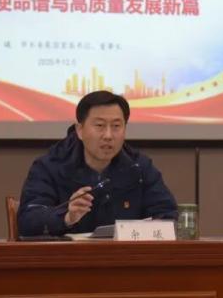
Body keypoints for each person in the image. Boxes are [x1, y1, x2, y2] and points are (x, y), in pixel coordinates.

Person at [17, 90, 178, 237]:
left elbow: (167, 215)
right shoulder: (50, 166)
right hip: (68, 257)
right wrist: (67, 217)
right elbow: (28, 221)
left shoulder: (139, 167)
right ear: (80, 130)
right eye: (100, 126)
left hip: (126, 256)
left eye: (116, 126)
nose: (108, 135)